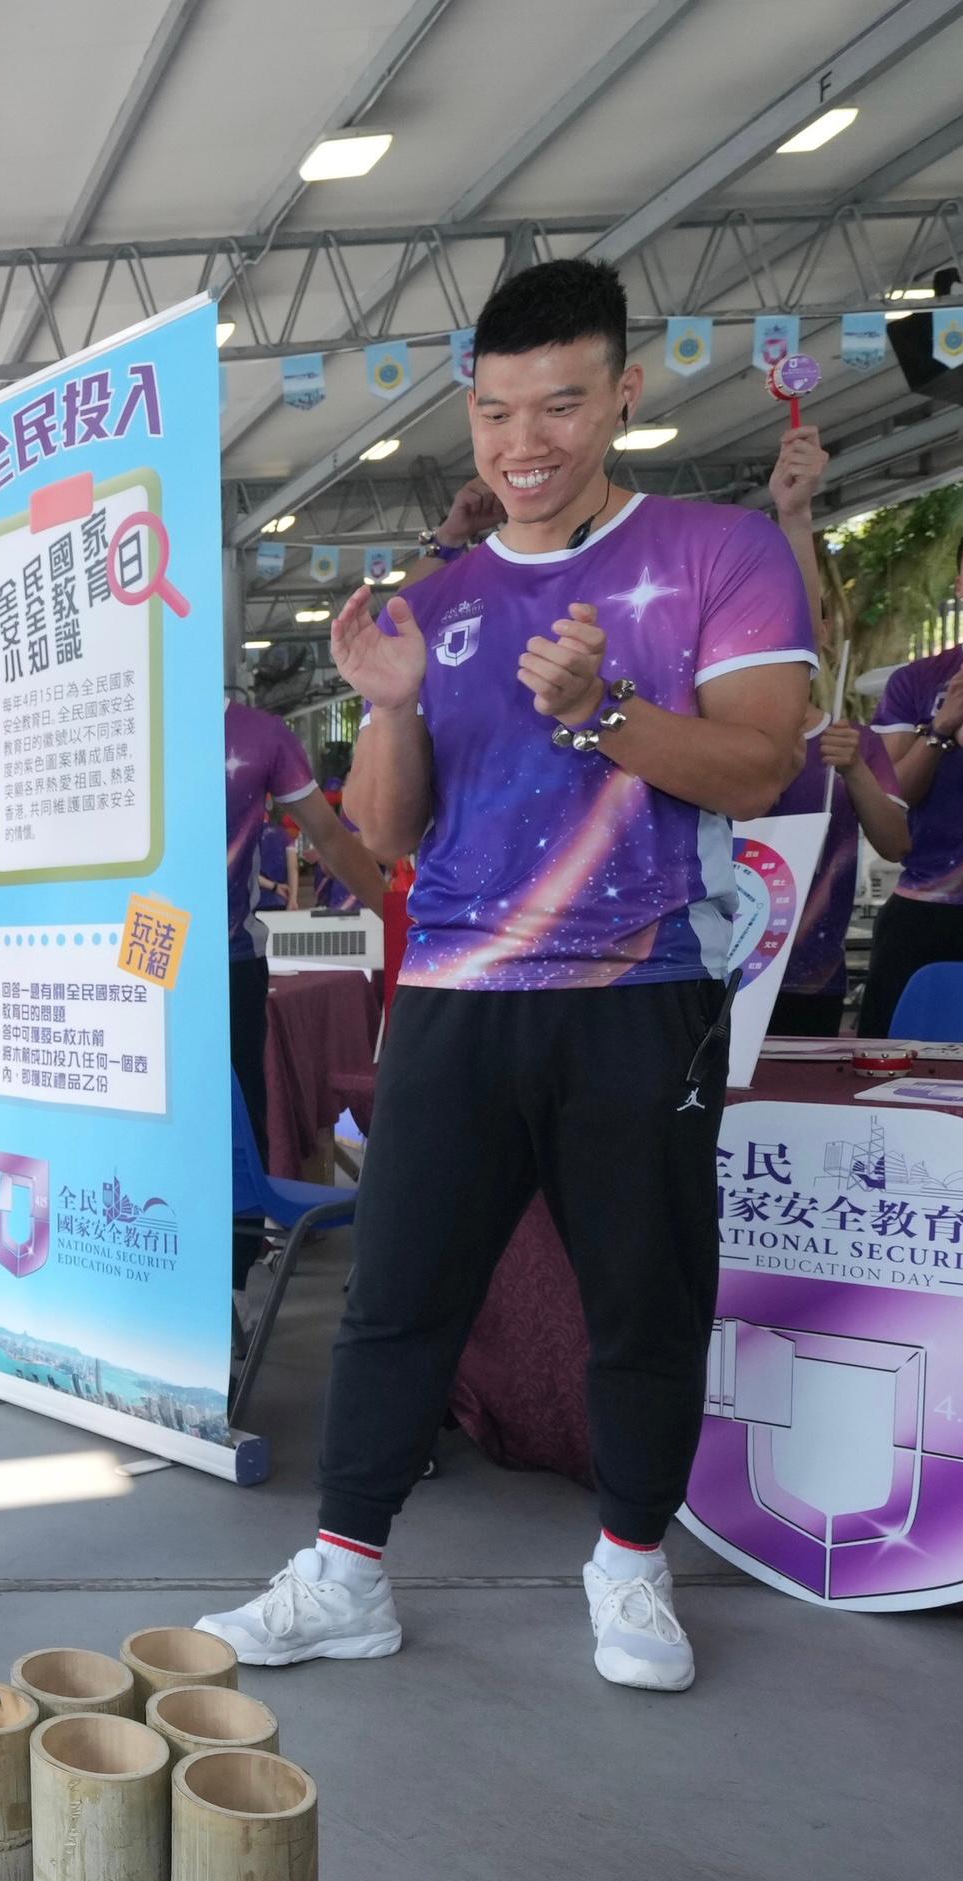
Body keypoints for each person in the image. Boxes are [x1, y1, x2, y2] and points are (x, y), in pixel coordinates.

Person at [201, 258, 813, 1695]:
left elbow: (762, 761)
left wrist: (605, 711)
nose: (523, 444)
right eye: (492, 414)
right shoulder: (443, 598)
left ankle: (629, 1564)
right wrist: (392, 707)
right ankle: (344, 1571)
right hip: (457, 1003)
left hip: (640, 990)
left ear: (621, 396)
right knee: (396, 1294)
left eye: (559, 405)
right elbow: (387, 831)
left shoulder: (717, 552)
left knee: (642, 1297)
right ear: (467, 415)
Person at [764, 423, 909, 1032]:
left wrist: (853, 771)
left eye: (807, 615)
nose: (786, 626)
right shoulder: (707, 732)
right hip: (711, 977)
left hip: (812, 981)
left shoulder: (853, 742)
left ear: (825, 633)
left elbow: (899, 845)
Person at [225, 698, 385, 1198]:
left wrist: (404, 922)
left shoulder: (260, 735)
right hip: (124, 969)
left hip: (227, 966)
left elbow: (330, 839)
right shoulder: (116, 719)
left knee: (236, 1141)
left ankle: (236, 1263)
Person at [857, 502, 963, 1032]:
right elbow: (893, 798)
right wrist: (941, 730)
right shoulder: (915, 681)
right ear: (960, 584)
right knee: (888, 1067)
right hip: (926, 910)